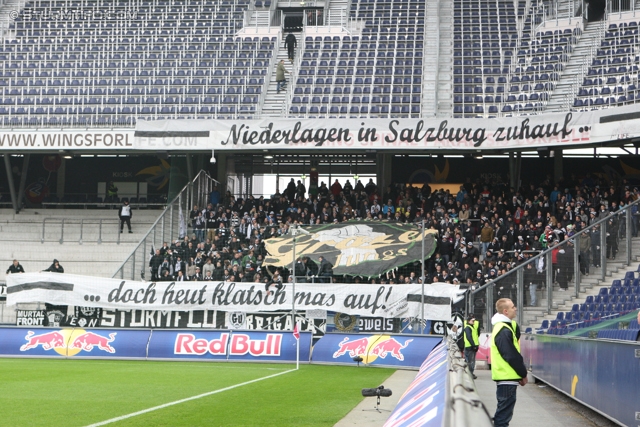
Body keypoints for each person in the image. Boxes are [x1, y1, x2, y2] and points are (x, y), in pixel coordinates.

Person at [491, 298, 528, 427]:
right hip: (506, 377)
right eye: (513, 307)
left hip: (506, 377)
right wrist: (523, 373)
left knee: (503, 414)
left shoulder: (505, 326)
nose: (515, 308)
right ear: (505, 311)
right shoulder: (503, 330)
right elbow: (511, 355)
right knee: (503, 417)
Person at [463, 315, 480, 379]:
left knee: (469, 361)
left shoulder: (471, 327)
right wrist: (473, 345)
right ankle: (470, 374)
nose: (474, 322)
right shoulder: (468, 327)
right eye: (472, 321)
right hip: (470, 347)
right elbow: (469, 337)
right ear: (468, 321)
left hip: (470, 346)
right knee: (471, 361)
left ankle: (469, 373)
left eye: (474, 321)